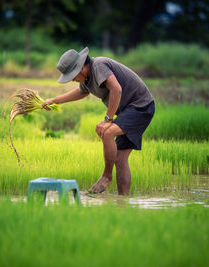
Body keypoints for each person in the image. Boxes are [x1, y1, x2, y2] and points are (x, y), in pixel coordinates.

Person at [41, 47, 154, 195]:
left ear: (81, 68)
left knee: (107, 132)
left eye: (72, 76)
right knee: (120, 159)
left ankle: (107, 176)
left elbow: (116, 89)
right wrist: (55, 100)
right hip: (128, 111)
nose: (73, 80)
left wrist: (108, 119)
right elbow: (82, 92)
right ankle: (123, 202)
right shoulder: (87, 78)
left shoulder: (98, 66)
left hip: (140, 106)